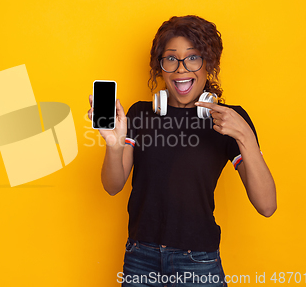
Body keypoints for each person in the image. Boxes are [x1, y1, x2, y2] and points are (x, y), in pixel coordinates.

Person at [87, 15, 277, 286]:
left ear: (207, 64)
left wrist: (245, 134)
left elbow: (267, 205)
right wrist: (114, 145)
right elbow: (112, 186)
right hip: (140, 258)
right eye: (171, 59)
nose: (181, 69)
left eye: (193, 58)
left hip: (198, 261)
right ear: (160, 66)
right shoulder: (140, 114)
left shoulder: (227, 119)